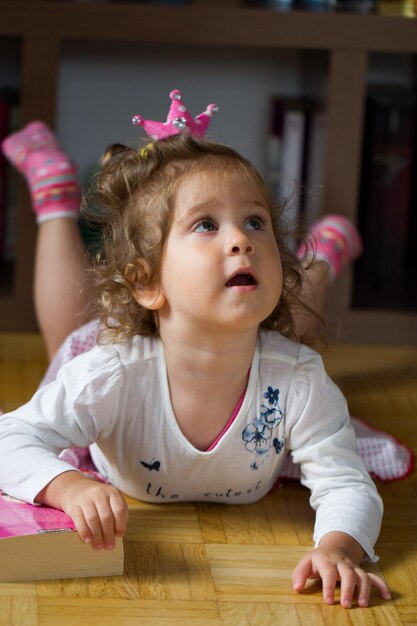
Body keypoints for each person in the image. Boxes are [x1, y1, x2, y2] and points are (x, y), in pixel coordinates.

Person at [0, 93, 390, 609]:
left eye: (256, 222)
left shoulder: (299, 379)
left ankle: (324, 250)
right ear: (147, 282)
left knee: (290, 319)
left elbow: (347, 483)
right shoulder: (110, 373)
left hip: (272, 344)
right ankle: (53, 195)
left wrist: (339, 547)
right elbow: (10, 437)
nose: (241, 240)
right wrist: (67, 485)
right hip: (114, 345)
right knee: (74, 331)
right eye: (206, 224)